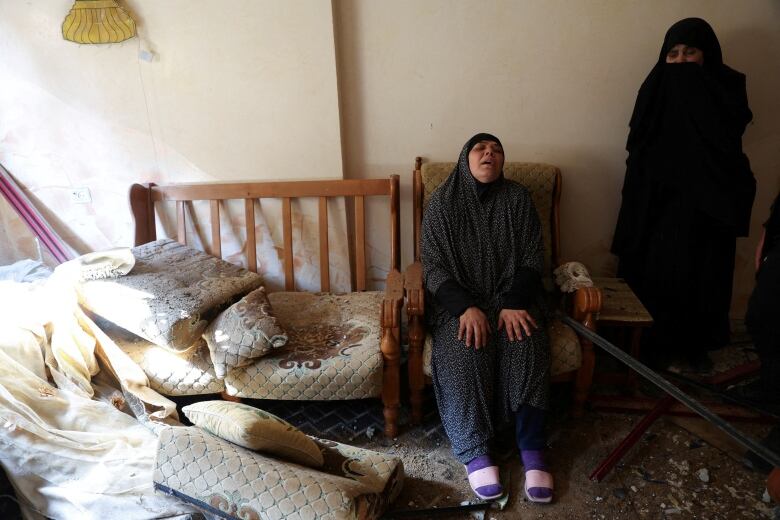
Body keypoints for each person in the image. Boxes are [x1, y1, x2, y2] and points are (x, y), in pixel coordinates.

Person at [611, 18, 756, 371]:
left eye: (690, 52)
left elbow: (728, 142)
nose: (680, 61)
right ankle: (653, 346)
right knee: (658, 273)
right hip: (658, 204)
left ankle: (695, 344)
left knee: (703, 276)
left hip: (709, 204)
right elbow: (639, 145)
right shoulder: (656, 86)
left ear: (707, 56)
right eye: (672, 54)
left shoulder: (727, 87)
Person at [421, 133, 552, 503]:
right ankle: (476, 450)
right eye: (481, 148)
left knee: (526, 344)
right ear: (465, 158)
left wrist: (514, 302)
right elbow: (432, 268)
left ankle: (532, 448)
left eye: (496, 150)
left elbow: (531, 258)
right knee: (467, 350)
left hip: (512, 300)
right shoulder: (442, 205)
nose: (489, 154)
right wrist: (465, 308)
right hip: (460, 306)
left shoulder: (518, 199)